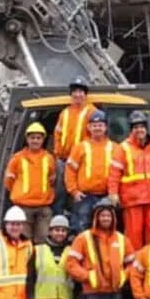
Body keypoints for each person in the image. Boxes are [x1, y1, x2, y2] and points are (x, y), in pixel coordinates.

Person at [108, 110, 150, 251]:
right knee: (134, 235)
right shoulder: (123, 148)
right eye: (135, 127)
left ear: (146, 128)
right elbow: (114, 173)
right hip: (132, 200)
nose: (139, 130)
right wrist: (113, 193)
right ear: (131, 130)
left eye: (141, 126)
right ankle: (135, 267)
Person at [65, 109, 120, 234]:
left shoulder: (115, 148)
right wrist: (74, 191)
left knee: (109, 229)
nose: (97, 128)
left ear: (105, 127)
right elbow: (70, 170)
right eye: (94, 125)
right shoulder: (80, 147)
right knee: (82, 228)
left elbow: (119, 173)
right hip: (85, 196)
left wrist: (115, 193)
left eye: (100, 125)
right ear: (89, 128)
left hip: (107, 196)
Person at [4, 122, 56, 243]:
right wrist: (21, 194)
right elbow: (8, 181)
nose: (35, 141)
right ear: (27, 139)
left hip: (43, 207)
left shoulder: (49, 158)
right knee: (24, 240)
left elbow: (52, 179)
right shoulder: (17, 158)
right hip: (23, 207)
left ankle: (39, 263)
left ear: (43, 140)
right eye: (32, 138)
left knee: (43, 241)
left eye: (38, 138)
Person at [53, 77, 95, 217]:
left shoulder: (91, 112)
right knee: (59, 195)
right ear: (71, 94)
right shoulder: (64, 113)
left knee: (78, 196)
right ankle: (58, 226)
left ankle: (75, 228)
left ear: (85, 94)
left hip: (81, 163)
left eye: (81, 91)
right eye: (75, 91)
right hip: (63, 160)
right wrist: (57, 153)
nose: (78, 95)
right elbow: (57, 134)